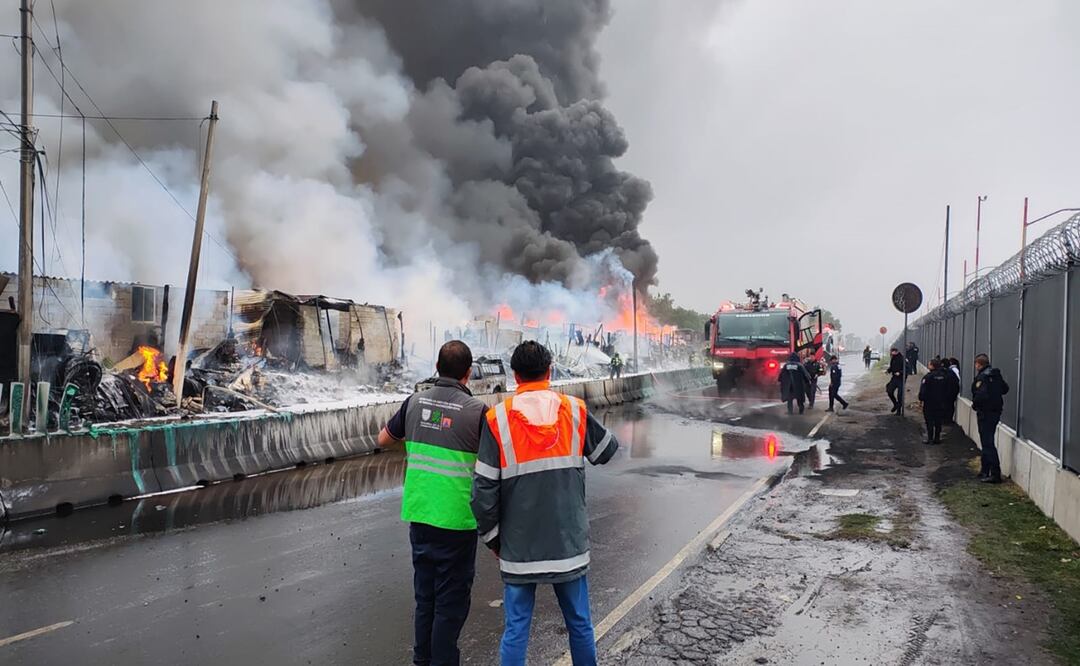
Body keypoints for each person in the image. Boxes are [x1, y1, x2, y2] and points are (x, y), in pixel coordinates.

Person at [472, 341, 619, 666]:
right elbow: (607, 451)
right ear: (549, 371)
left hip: (519, 549)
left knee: (516, 629)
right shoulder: (575, 410)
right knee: (579, 624)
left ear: (515, 375)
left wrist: (495, 539)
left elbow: (482, 493)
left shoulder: (498, 419)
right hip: (568, 545)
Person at [378, 340, 487, 666]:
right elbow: (496, 462)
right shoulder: (477, 412)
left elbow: (383, 440)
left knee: (425, 600)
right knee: (450, 606)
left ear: (437, 368)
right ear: (468, 374)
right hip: (456, 522)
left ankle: (421, 662)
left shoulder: (414, 402)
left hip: (420, 516)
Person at [971, 353, 1010, 483]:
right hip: (995, 412)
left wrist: (975, 405)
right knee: (988, 441)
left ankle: (994, 473)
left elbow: (980, 395)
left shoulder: (983, 376)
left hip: (985, 413)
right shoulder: (995, 375)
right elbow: (1005, 389)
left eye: (976, 364)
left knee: (987, 443)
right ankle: (984, 470)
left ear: (979, 364)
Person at [918, 358, 953, 444]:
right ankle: (937, 438)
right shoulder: (945, 376)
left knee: (929, 421)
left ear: (932, 366)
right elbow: (949, 389)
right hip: (941, 402)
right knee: (938, 421)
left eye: (929, 364)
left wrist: (921, 399)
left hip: (929, 403)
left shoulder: (928, 377)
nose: (928, 365)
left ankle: (930, 439)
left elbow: (923, 391)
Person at [885, 347, 905, 413]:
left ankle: (899, 410)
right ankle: (895, 404)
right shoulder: (893, 358)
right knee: (889, 391)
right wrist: (888, 371)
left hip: (901, 379)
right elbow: (892, 366)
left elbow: (907, 369)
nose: (891, 353)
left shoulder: (902, 358)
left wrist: (900, 372)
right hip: (894, 378)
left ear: (895, 351)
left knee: (899, 395)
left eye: (891, 352)